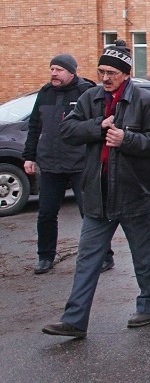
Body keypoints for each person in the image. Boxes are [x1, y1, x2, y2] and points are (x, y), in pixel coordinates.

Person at [42, 40, 150, 339]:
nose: (106, 77)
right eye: (102, 71)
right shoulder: (90, 98)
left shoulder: (147, 102)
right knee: (88, 259)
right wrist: (98, 125)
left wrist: (127, 139)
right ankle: (75, 319)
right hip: (97, 193)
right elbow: (67, 131)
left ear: (126, 73)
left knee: (144, 255)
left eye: (112, 72)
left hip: (133, 190)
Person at [24, 54, 102, 275]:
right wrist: (29, 156)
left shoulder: (86, 92)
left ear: (71, 72)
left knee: (90, 213)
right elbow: (34, 127)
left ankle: (102, 256)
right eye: (52, 69)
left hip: (80, 164)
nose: (53, 74)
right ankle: (45, 257)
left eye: (58, 69)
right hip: (50, 164)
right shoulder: (45, 93)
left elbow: (98, 125)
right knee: (46, 213)